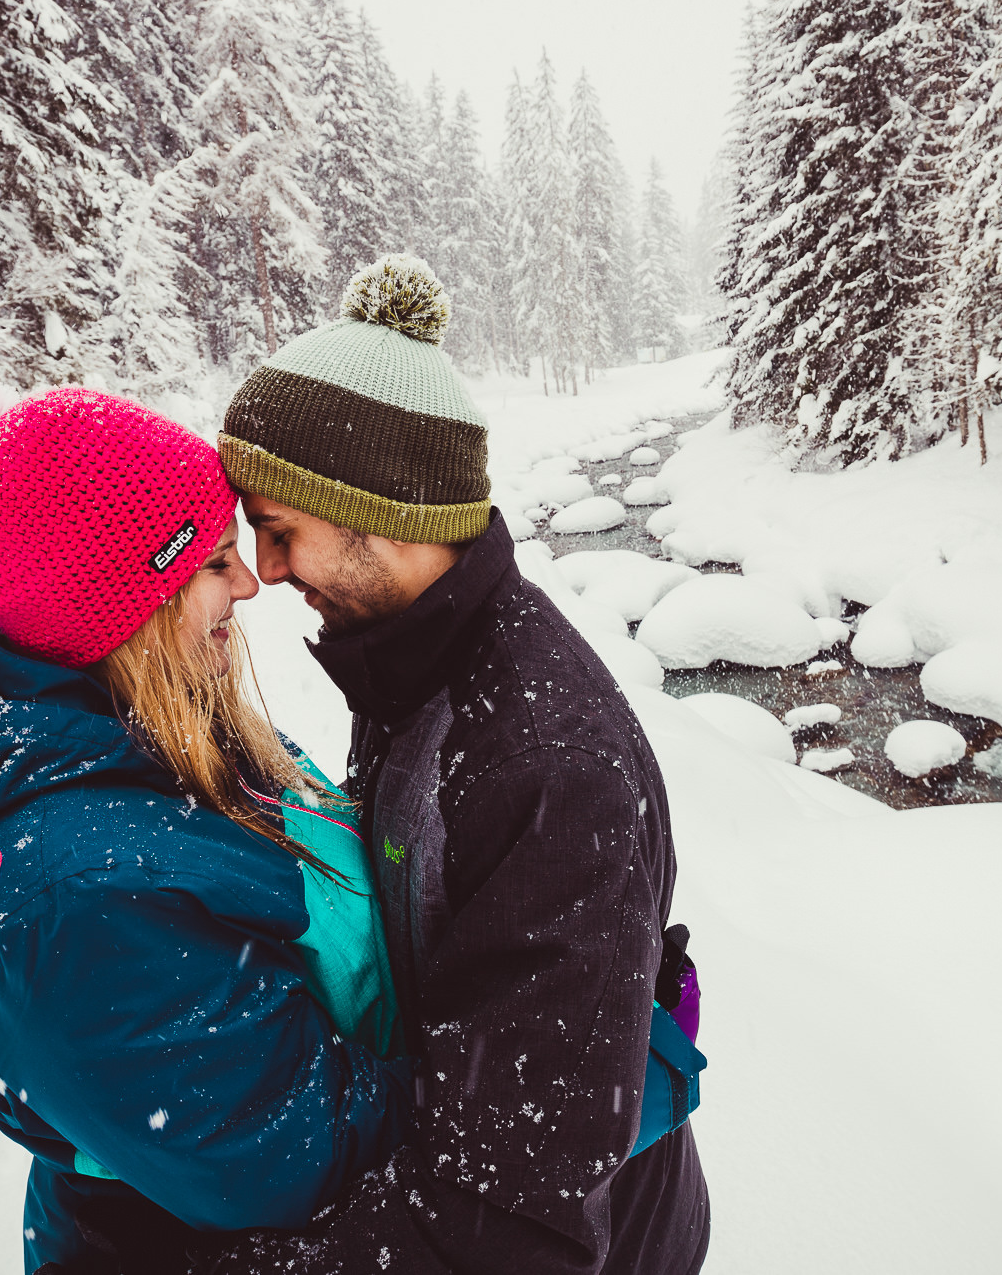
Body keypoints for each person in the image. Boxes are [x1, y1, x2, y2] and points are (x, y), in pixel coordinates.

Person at [195, 256, 710, 1275]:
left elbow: (510, 1215)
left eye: (278, 530)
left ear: (377, 509)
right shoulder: (419, 662)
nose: (263, 573)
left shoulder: (543, 762)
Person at [0, 381, 408, 1273]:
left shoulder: (181, 730)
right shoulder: (79, 899)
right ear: (129, 609)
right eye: (213, 561)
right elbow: (312, 1152)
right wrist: (568, 1076)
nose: (249, 582)